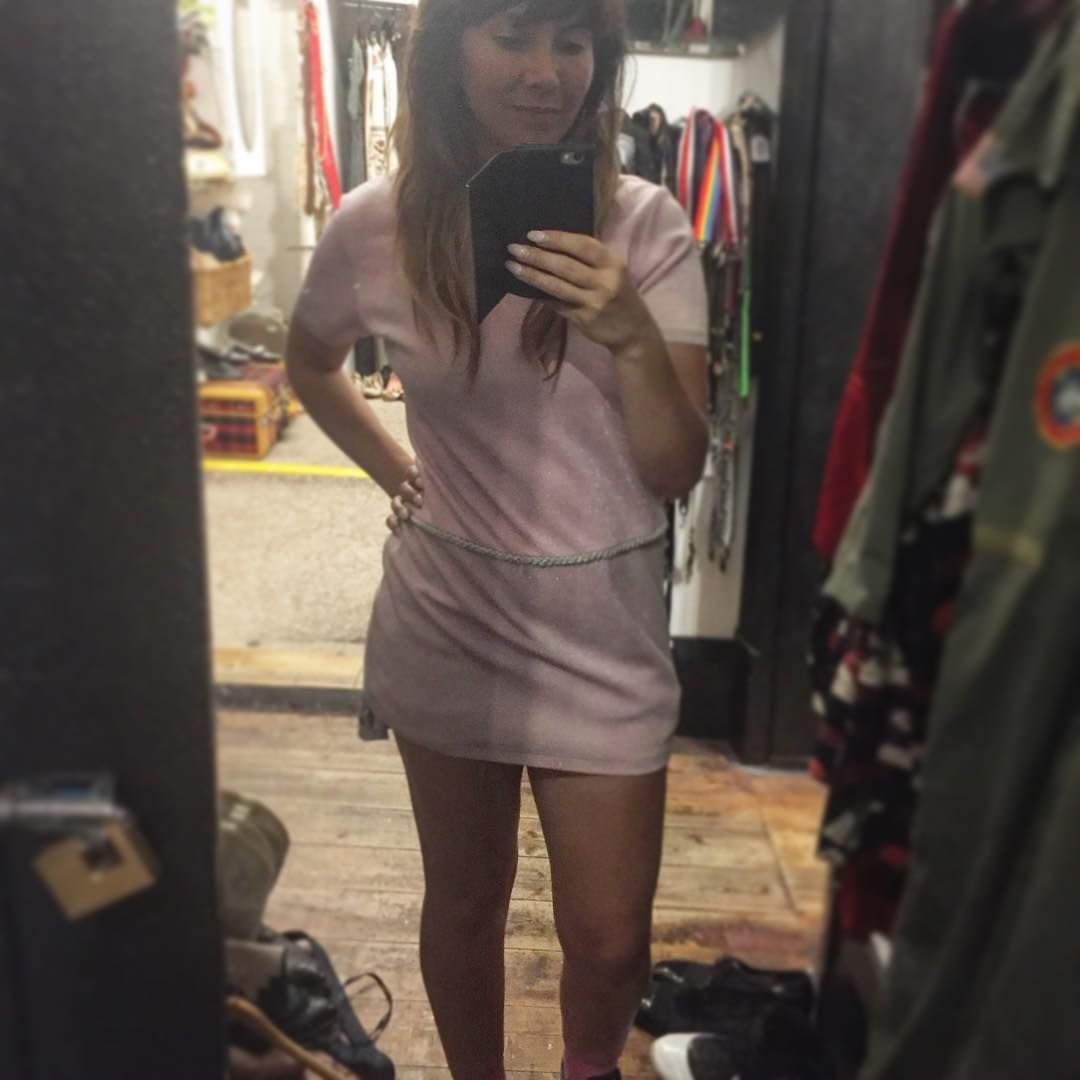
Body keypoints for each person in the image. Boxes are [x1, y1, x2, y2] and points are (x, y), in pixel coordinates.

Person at [285, 2, 709, 1077]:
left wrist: (630, 336)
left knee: (609, 942)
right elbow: (310, 363)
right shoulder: (373, 226)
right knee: (465, 901)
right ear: (450, 52)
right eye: (513, 36)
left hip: (602, 630)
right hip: (448, 614)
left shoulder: (649, 225)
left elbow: (674, 467)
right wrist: (398, 470)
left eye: (572, 41)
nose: (546, 71)